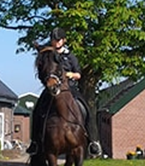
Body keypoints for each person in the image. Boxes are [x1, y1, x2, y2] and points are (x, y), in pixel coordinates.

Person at [26, 27, 102, 158]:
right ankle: (35, 142)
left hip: (68, 88)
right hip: (51, 88)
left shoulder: (70, 56)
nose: (56, 42)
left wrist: (70, 74)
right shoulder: (48, 54)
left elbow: (79, 74)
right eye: (54, 40)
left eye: (58, 40)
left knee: (86, 108)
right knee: (37, 109)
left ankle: (92, 141)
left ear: (63, 40)